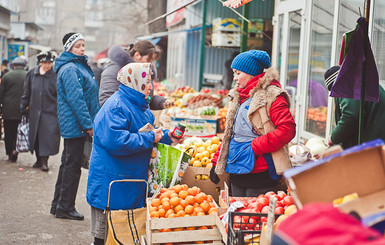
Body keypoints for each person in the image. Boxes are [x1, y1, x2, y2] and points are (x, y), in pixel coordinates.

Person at [86, 62, 182, 245]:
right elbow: (117, 142)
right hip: (111, 185)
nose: (151, 88)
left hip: (128, 182)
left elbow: (147, 134)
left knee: (125, 235)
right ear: (134, 83)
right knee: (105, 236)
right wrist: (149, 138)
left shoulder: (139, 106)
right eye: (146, 83)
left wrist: (168, 138)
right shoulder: (115, 106)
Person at [209, 50, 296, 197]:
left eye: (238, 73)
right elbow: (231, 134)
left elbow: (287, 130)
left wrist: (255, 146)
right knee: (237, 215)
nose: (234, 78)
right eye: (234, 73)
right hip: (237, 171)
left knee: (255, 215)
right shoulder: (239, 96)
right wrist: (216, 162)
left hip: (261, 173)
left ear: (251, 73)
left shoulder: (272, 96)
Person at [50, 32, 100, 220]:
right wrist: (88, 125)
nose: (81, 49)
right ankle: (65, 207)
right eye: (77, 46)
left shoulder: (76, 66)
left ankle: (58, 204)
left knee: (67, 165)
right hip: (76, 125)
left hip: (75, 124)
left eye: (83, 45)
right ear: (69, 48)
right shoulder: (71, 68)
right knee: (72, 167)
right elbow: (76, 100)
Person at [98, 40, 173, 109]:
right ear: (137, 55)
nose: (151, 64)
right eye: (148, 59)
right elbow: (107, 101)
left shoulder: (145, 73)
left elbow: (147, 99)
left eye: (152, 61)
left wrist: (161, 102)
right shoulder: (113, 71)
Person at [324, 66, 385, 149]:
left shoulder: (349, 86)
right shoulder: (358, 81)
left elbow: (351, 116)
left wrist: (333, 138)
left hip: (375, 142)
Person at [20, 51, 60, 172]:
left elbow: (59, 94)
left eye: (49, 63)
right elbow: (27, 92)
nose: (47, 65)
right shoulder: (32, 74)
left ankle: (44, 161)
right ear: (40, 62)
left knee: (47, 137)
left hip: (50, 112)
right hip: (34, 111)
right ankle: (38, 159)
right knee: (36, 136)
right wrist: (23, 106)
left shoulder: (55, 75)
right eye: (45, 63)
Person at [0, 57, 28, 162]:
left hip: (8, 109)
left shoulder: (7, 76)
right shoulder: (28, 75)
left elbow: (1, 94)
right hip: (22, 109)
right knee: (19, 132)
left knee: (9, 132)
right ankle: (15, 151)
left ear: (13, 65)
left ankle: (9, 153)